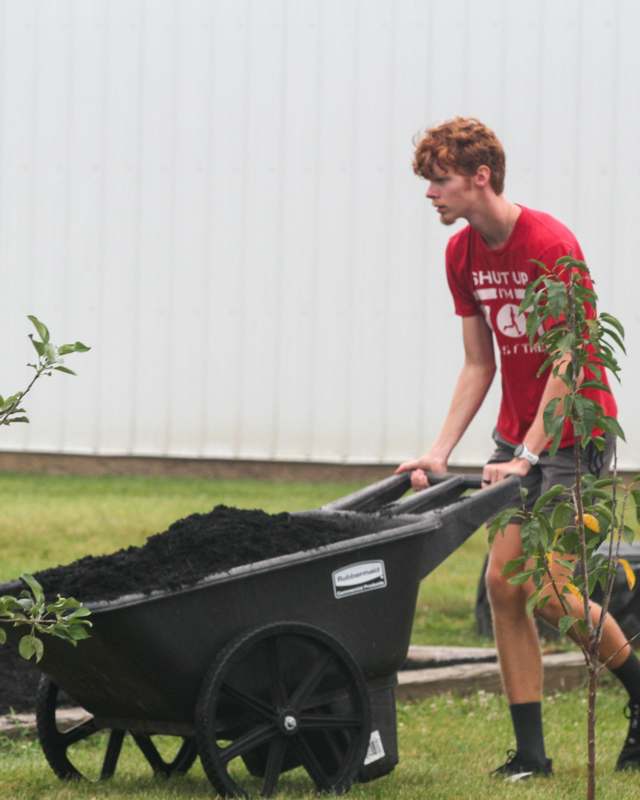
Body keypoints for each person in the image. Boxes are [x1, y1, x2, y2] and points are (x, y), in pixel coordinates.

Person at [396, 117, 640, 780]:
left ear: (482, 177)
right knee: (505, 587)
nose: (430, 194)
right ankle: (531, 753)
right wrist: (440, 451)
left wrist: (529, 452)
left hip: (573, 433)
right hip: (517, 438)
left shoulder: (550, 244)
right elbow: (480, 363)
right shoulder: (461, 255)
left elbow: (570, 360)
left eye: (440, 180)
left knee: (551, 591)